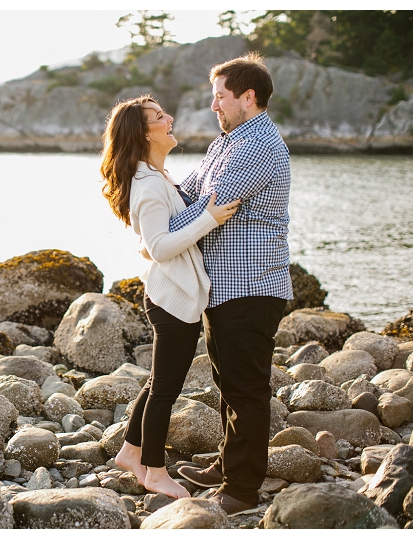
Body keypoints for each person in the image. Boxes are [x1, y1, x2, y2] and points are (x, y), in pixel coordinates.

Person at [169, 53, 293, 517]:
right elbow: (190, 191)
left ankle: (241, 490)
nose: (214, 104)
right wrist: (147, 188)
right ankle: (228, 463)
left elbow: (208, 209)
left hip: (251, 285)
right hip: (224, 286)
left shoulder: (257, 144)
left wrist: (158, 235)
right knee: (228, 382)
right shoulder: (228, 141)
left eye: (220, 96)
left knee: (246, 388)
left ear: (248, 97)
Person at [99, 95, 240, 498]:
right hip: (171, 297)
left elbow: (151, 240)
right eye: (160, 117)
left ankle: (130, 449)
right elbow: (160, 247)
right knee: (166, 389)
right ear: (144, 133)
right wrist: (209, 219)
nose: (170, 119)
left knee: (160, 381)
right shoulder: (147, 185)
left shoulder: (154, 177)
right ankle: (155, 471)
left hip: (171, 294)